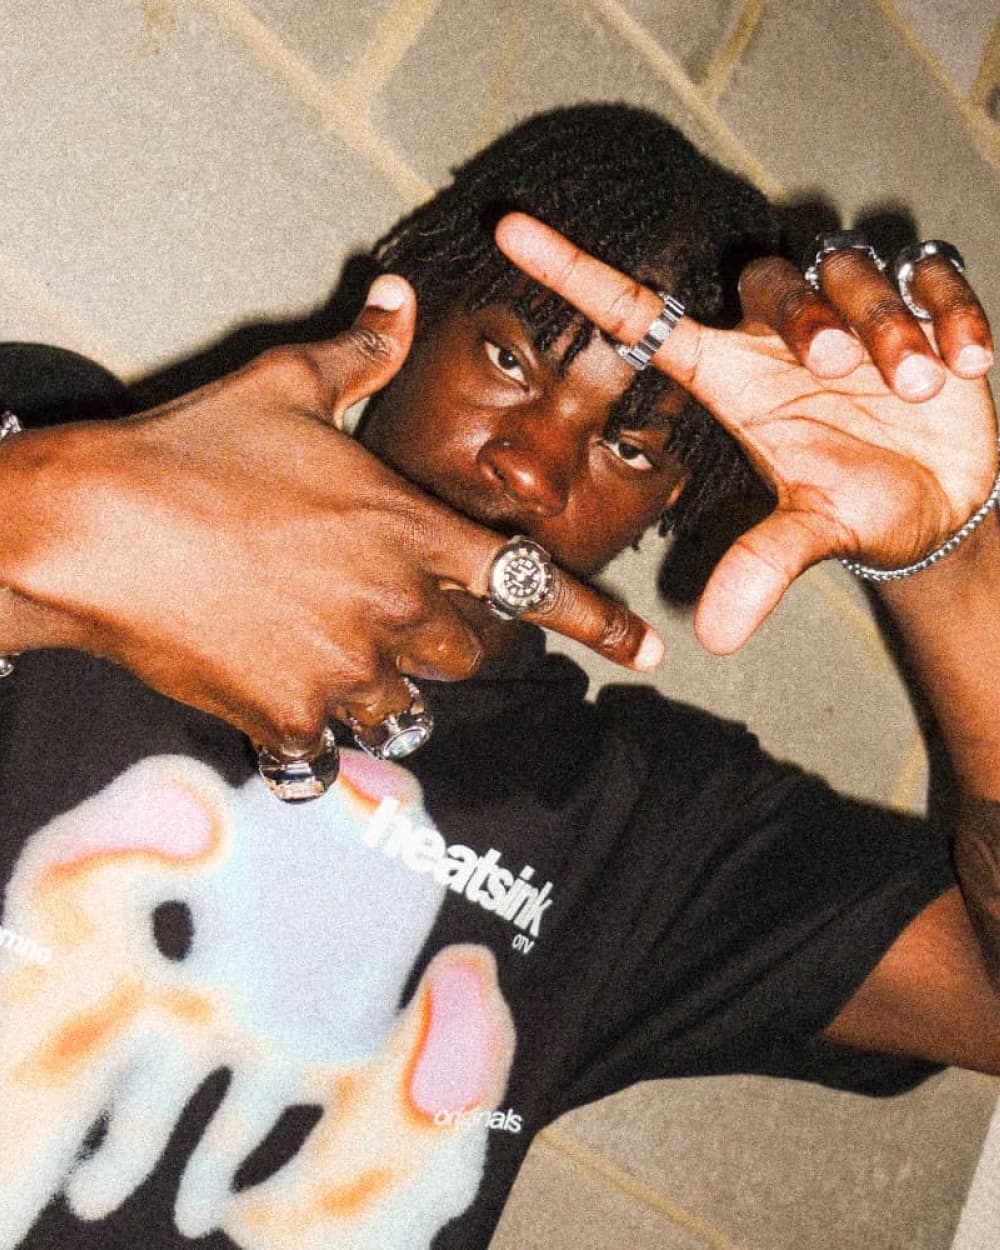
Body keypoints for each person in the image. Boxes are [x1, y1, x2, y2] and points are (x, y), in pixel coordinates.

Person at [0, 102, 996, 1249]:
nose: (533, 464)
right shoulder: (78, 457)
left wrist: (953, 569)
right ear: (408, 314)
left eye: (629, 445)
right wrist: (61, 519)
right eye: (510, 357)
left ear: (668, 505)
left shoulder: (639, 826)